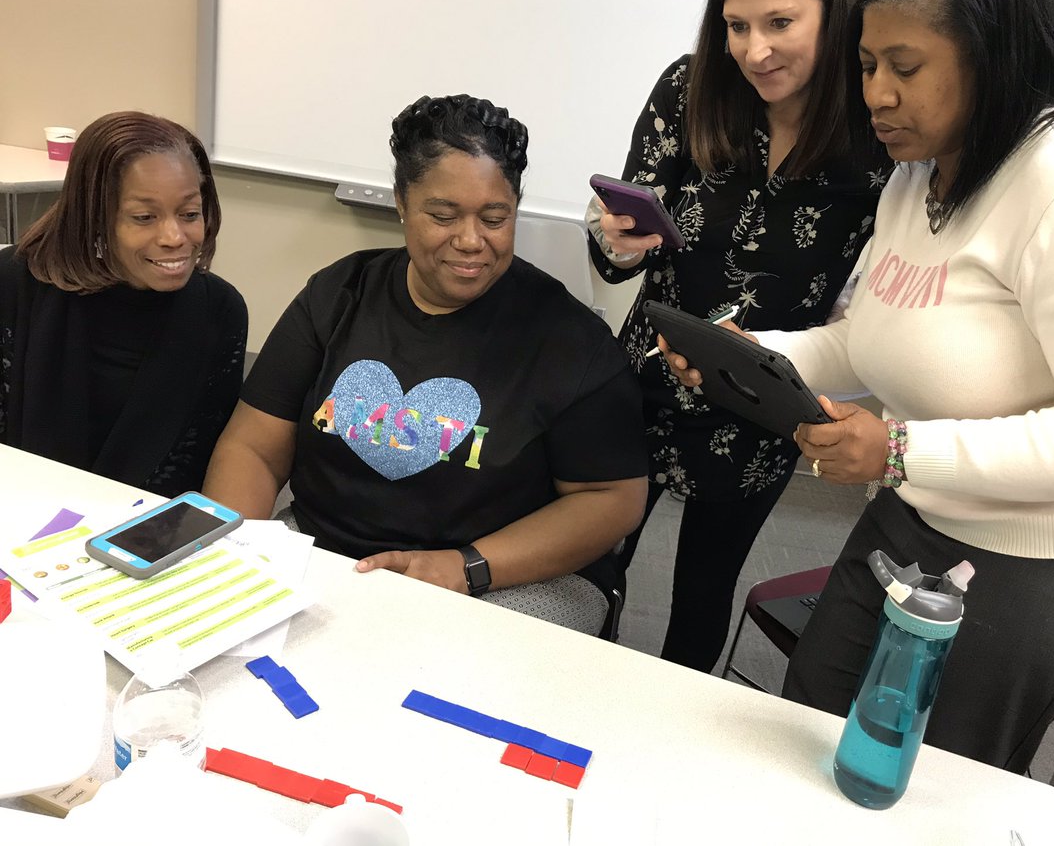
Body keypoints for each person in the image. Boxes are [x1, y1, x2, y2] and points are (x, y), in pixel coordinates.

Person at [662, 0, 1054, 772]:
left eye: (904, 68)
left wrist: (904, 448)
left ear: (995, 61)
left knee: (926, 780)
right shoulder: (918, 177)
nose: (875, 93)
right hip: (925, 513)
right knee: (814, 725)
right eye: (869, 64)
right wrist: (752, 351)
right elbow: (869, 337)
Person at [203, 94, 648, 634]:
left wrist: (465, 568)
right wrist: (235, 557)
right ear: (400, 203)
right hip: (330, 549)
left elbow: (613, 500)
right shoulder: (338, 296)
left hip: (504, 575)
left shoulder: (571, 341)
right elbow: (253, 446)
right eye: (442, 216)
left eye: (494, 218)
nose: (470, 241)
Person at [586, 0, 889, 671]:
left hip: (759, 401)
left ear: (836, 13)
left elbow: (870, 308)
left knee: (702, 593)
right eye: (736, 25)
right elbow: (619, 248)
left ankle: (669, 745)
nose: (755, 50)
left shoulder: (876, 137)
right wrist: (617, 244)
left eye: (780, 22)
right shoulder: (692, 89)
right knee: (596, 564)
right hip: (646, 377)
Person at [0, 111, 246, 497]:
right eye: (144, 217)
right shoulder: (16, 283)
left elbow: (195, 463)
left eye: (190, 214)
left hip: (138, 528)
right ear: (95, 216)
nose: (174, 237)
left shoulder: (220, 311)